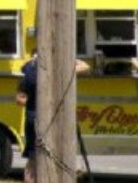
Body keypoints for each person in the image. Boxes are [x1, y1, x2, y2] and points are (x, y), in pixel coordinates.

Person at [16, 49, 91, 183]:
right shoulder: (58, 69)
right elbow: (85, 66)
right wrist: (69, 58)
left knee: (33, 158)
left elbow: (20, 100)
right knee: (54, 154)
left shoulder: (28, 72)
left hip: (33, 118)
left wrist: (34, 101)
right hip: (51, 119)